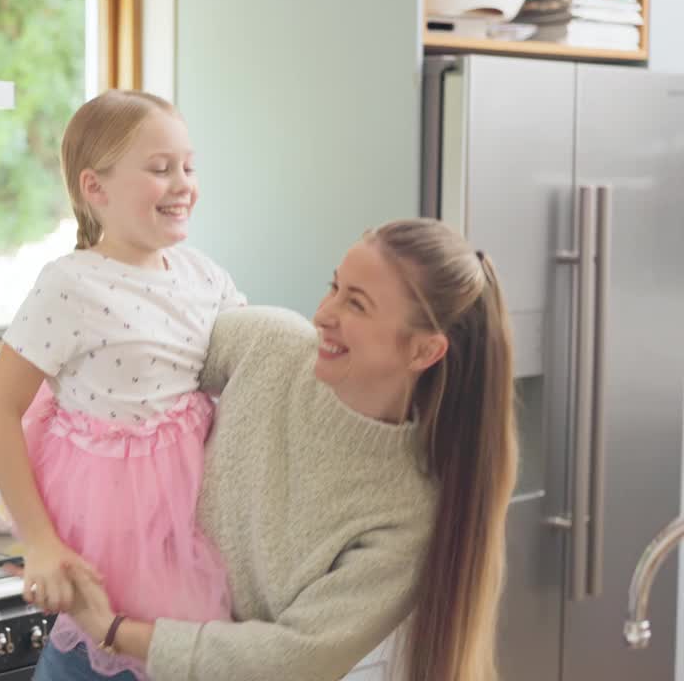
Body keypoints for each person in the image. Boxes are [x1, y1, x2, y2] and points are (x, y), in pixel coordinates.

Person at [56, 218, 518, 681]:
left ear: (423, 352)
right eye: (334, 287)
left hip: (136, 643)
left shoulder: (407, 511)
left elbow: (293, 659)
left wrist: (114, 629)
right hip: (82, 650)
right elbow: (124, 363)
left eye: (356, 304)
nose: (324, 314)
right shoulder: (270, 344)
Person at [0, 90, 246, 680]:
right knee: (101, 657)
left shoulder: (206, 276)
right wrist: (41, 545)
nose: (182, 183)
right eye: (159, 168)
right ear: (95, 188)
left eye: (188, 166)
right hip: (111, 540)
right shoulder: (72, 284)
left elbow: (256, 369)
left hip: (191, 536)